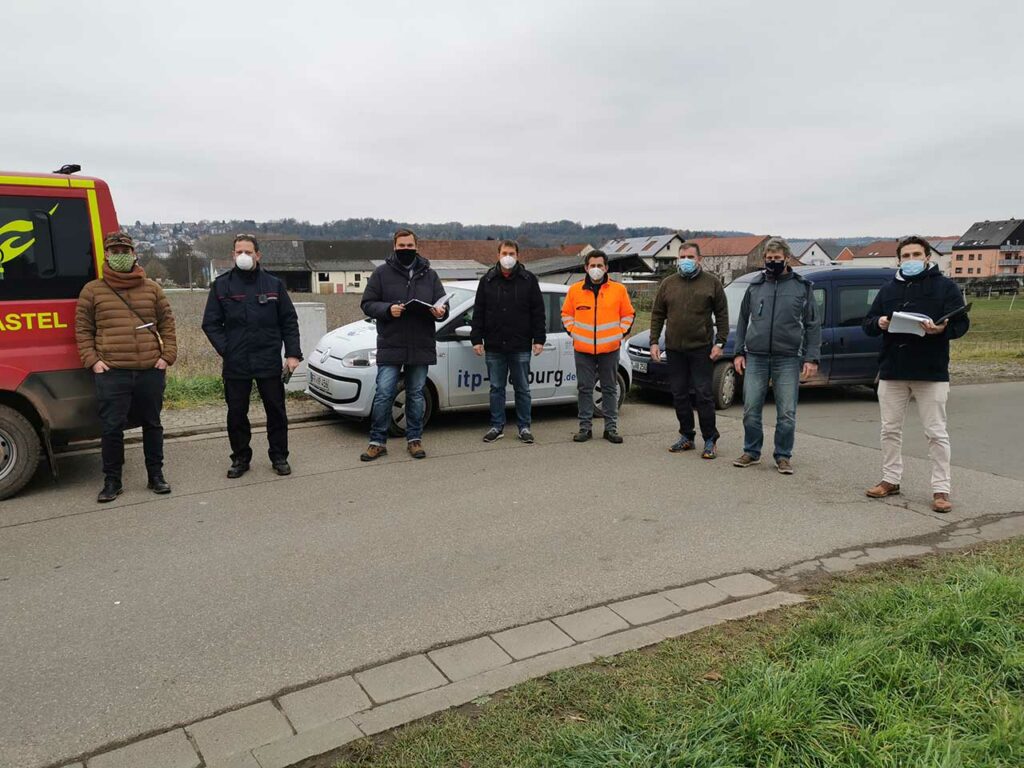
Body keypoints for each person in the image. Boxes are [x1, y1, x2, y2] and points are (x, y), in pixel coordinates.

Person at [862, 235, 969, 513]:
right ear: (898, 259)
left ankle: (940, 489)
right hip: (893, 369)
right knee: (889, 429)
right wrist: (880, 322)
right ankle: (890, 479)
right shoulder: (887, 290)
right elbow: (868, 324)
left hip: (930, 370)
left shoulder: (945, 287)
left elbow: (961, 323)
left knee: (936, 433)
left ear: (927, 257)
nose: (911, 260)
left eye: (916, 255)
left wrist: (942, 329)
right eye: (906, 256)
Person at [75, 232, 177, 502]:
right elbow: (83, 330)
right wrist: (93, 361)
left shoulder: (153, 289)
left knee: (152, 424)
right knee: (111, 428)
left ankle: (156, 475)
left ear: (134, 254)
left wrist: (166, 357)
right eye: (115, 250)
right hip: (112, 372)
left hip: (149, 370)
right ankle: (112, 481)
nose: (120, 255)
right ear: (106, 255)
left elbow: (167, 324)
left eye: (125, 250)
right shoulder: (92, 290)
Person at [201, 234, 302, 478]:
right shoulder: (222, 285)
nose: (243, 256)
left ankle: (279, 456)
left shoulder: (273, 285)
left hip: (267, 359)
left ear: (258, 255)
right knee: (236, 413)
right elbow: (210, 323)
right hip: (236, 363)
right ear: (232, 255)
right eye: (239, 252)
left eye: (248, 251)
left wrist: (292, 354)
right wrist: (227, 349)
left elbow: (289, 321)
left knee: (276, 411)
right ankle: (240, 458)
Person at [731, 237, 822, 474]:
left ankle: (783, 456)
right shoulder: (756, 286)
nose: (772, 262)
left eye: (777, 259)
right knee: (750, 409)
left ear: (787, 259)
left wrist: (812, 357)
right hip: (756, 357)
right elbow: (742, 320)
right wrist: (738, 352)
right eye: (769, 259)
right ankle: (751, 451)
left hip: (788, 357)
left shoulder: (802, 287)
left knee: (787, 413)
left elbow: (813, 324)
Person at [359, 229, 449, 461]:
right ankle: (377, 441)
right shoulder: (381, 273)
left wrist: (440, 311)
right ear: (394, 246)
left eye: (410, 245)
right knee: (384, 393)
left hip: (421, 344)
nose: (406, 249)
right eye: (402, 245)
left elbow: (443, 305)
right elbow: (367, 304)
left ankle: (414, 440)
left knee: (416, 394)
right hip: (391, 343)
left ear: (416, 247)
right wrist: (388, 310)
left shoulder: (430, 274)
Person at [649, 240, 729, 459]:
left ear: (699, 259)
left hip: (701, 349)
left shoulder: (711, 283)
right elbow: (657, 314)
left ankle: (710, 438)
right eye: (682, 257)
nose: (685, 261)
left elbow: (722, 314)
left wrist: (720, 342)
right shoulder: (668, 283)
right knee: (679, 394)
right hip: (675, 349)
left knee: (703, 394)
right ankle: (687, 435)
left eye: (690, 257)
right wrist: (654, 341)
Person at [470, 240, 546, 444]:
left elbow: (538, 312)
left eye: (512, 253)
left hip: (520, 344)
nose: (508, 256)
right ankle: (497, 425)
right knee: (496, 388)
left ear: (518, 255)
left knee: (522, 388)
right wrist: (476, 339)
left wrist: (539, 339)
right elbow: (478, 312)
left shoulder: (529, 280)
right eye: (505, 252)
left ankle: (524, 427)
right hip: (494, 344)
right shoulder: (487, 280)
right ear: (498, 255)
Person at [561, 250, 634, 443]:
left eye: (599, 266)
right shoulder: (575, 290)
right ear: (586, 267)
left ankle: (611, 429)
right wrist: (573, 332)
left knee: (609, 389)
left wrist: (619, 334)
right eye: (592, 266)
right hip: (583, 350)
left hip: (609, 349)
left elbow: (628, 315)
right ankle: (585, 428)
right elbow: (566, 314)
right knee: (584, 389)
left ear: (606, 268)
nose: (596, 269)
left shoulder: (619, 290)